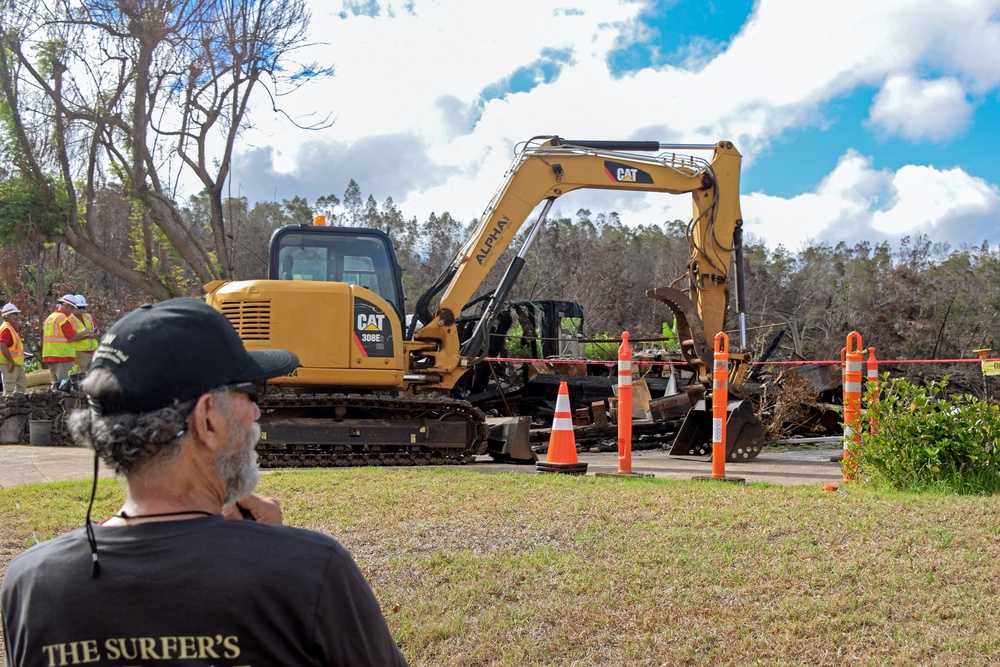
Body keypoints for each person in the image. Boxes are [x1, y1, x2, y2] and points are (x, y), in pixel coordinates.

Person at [1, 298, 409, 666]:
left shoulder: (30, 583)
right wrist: (282, 565)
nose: (257, 413)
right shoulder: (314, 571)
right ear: (208, 419)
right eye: (253, 392)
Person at [42, 294, 93, 388]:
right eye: (72, 308)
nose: (73, 311)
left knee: (55, 384)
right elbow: (71, 337)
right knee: (64, 384)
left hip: (49, 354)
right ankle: (63, 402)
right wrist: (84, 332)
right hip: (62, 355)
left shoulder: (50, 318)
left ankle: (55, 401)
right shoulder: (63, 319)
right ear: (67, 306)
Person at [0, 303, 27, 395]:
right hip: (9, 364)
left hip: (16, 364)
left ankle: (17, 406)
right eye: (14, 313)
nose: (17, 316)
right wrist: (11, 361)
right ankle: (6, 409)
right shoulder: (6, 329)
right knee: (9, 389)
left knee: (21, 384)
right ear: (7, 316)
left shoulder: (11, 328)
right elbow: (2, 345)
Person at [72, 293, 100, 373]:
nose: (82, 310)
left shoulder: (87, 316)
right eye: (79, 307)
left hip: (93, 351)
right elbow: (72, 338)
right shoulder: (69, 319)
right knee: (80, 376)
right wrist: (86, 335)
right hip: (79, 352)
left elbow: (97, 330)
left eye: (83, 307)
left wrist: (95, 335)